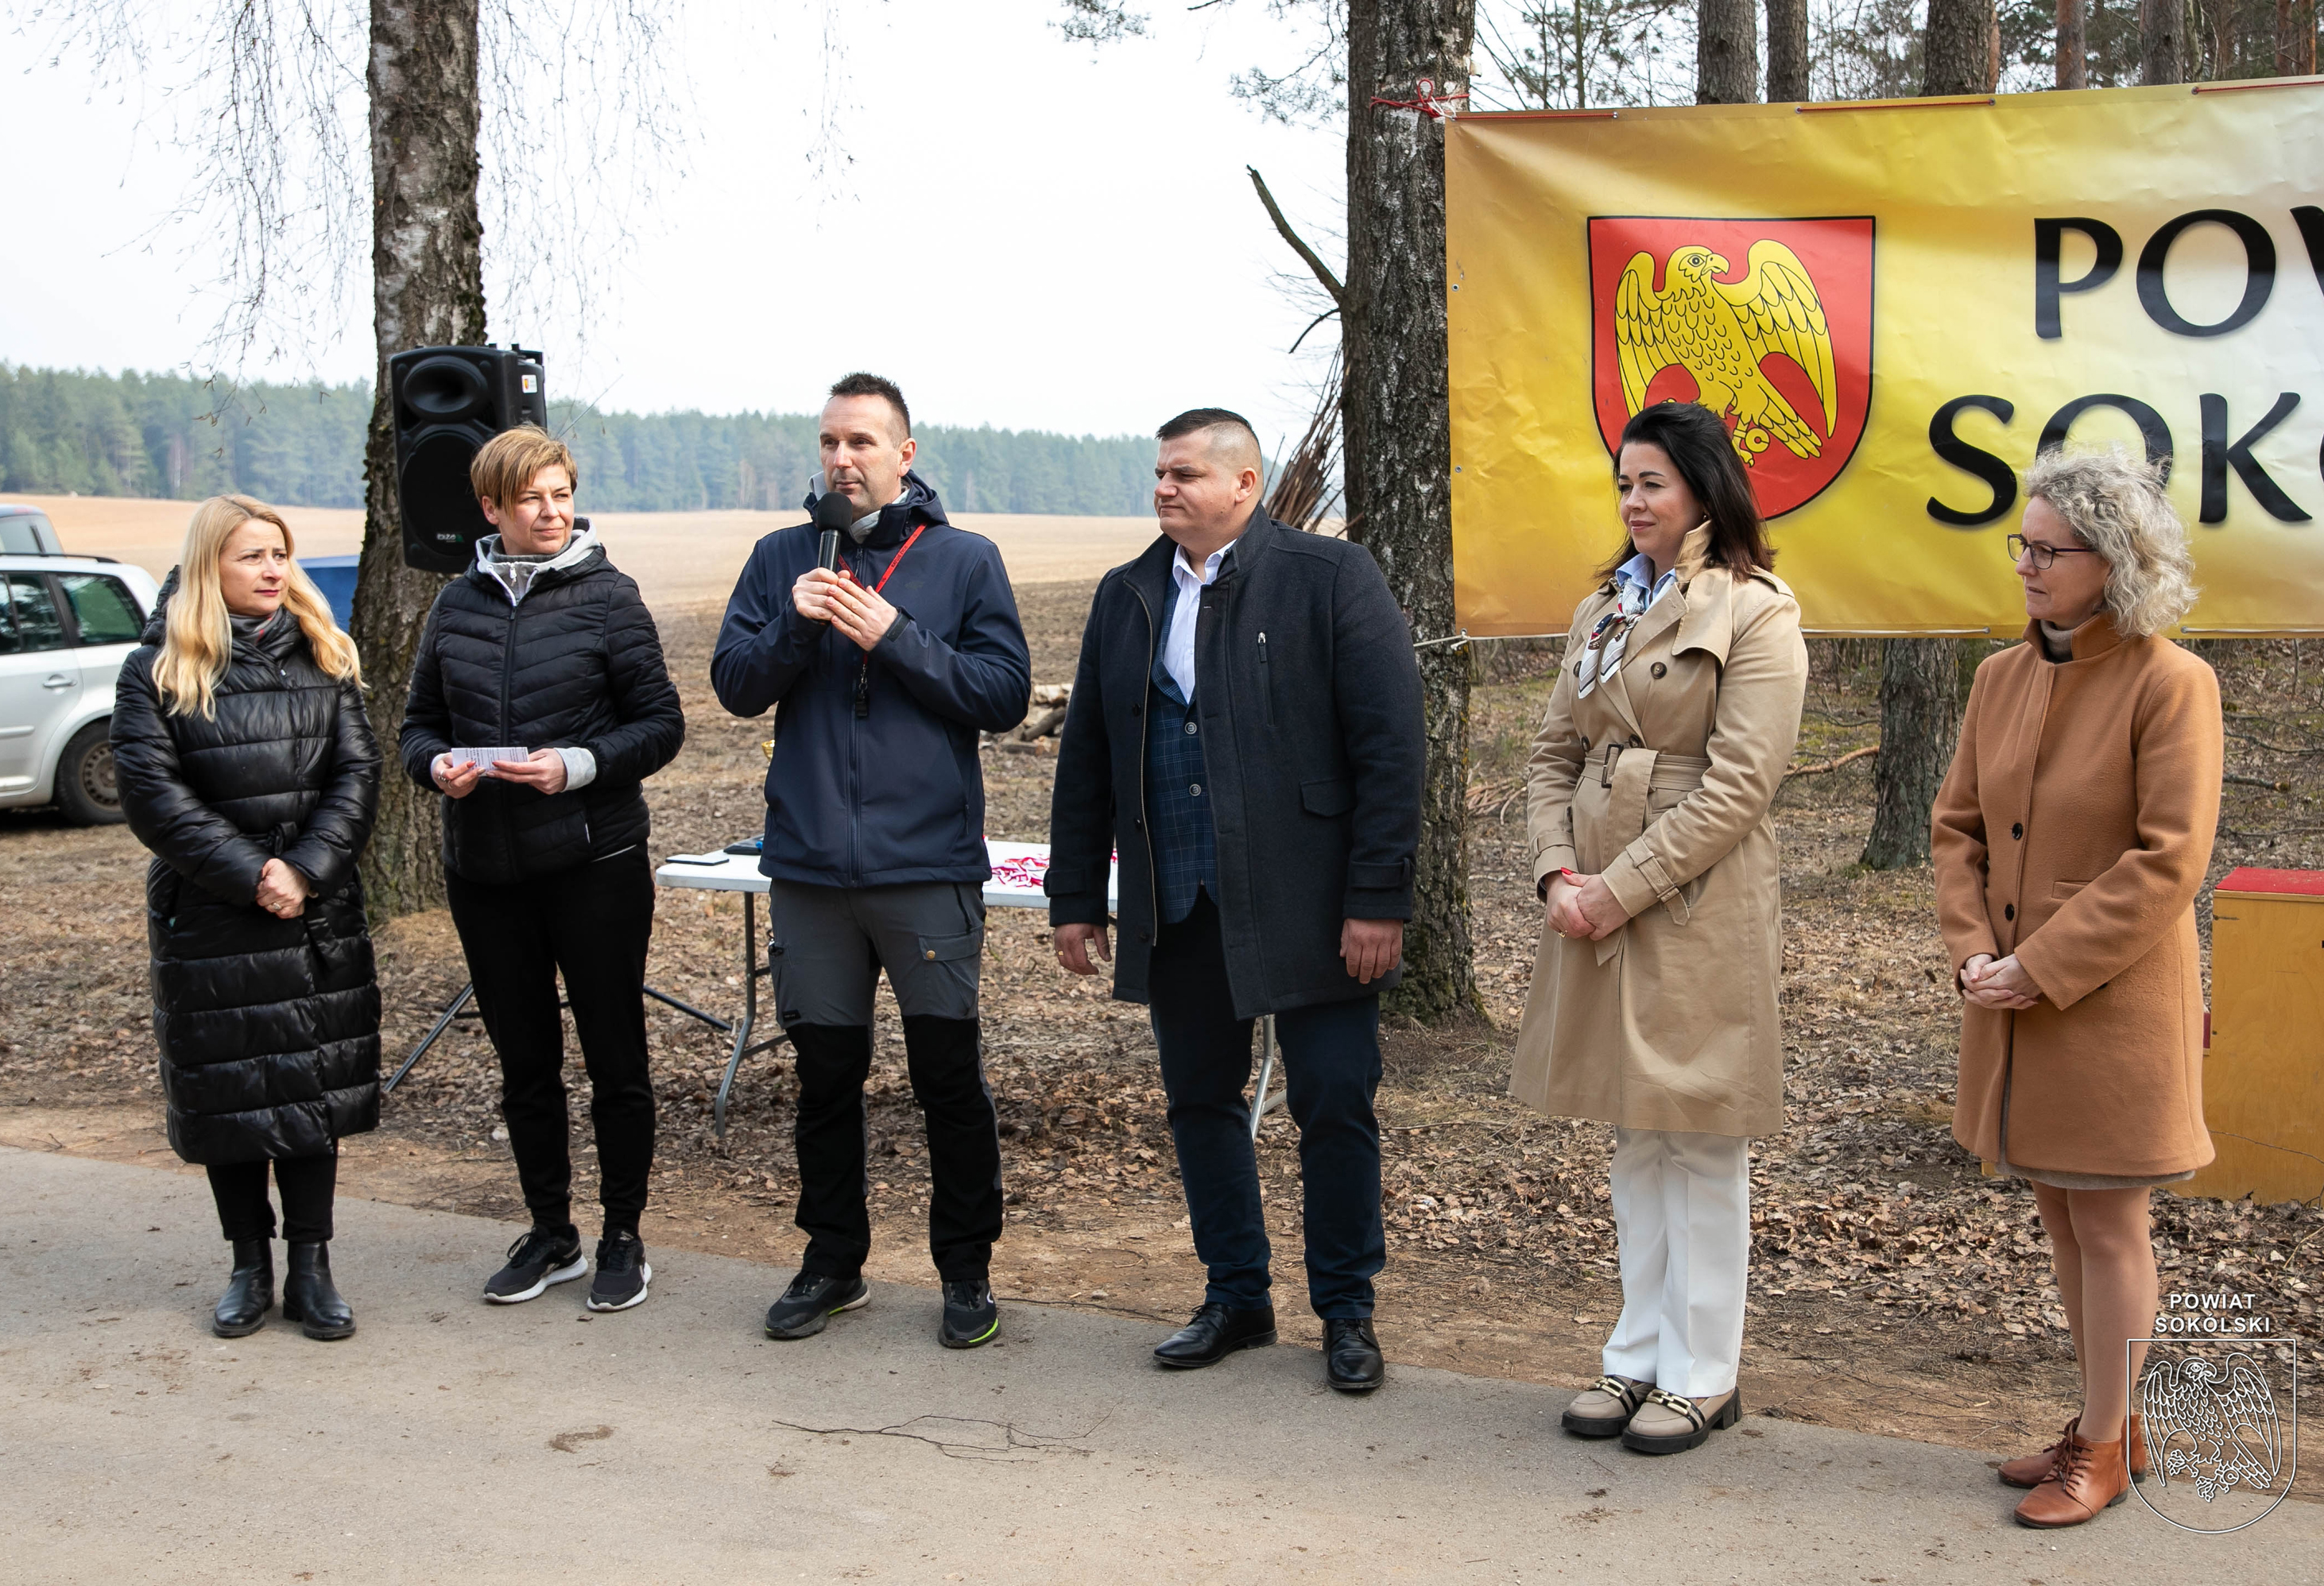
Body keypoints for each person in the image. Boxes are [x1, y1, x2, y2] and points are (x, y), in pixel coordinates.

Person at [1048, 408, 1423, 1395]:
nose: (1163, 490)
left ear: (1244, 485)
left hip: (1313, 903)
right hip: (1180, 901)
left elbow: (1391, 748)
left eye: (1182, 474)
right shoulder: (1126, 594)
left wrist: (1377, 896)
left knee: (1334, 1102)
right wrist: (1076, 892)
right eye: (1157, 475)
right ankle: (1236, 1295)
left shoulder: (1330, 578)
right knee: (1200, 1103)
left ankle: (1347, 1310)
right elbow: (1088, 752)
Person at [1511, 400, 1807, 1454]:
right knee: (1632, 1130)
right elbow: (1552, 753)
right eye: (1624, 483)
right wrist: (1556, 870)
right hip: (1590, 895)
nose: (1634, 500)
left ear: (1701, 486)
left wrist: (1616, 886)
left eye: (1652, 482)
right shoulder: (1602, 608)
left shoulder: (1759, 613)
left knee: (1699, 1134)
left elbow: (1738, 788)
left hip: (1695, 901)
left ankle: (1703, 1372)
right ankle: (1636, 1355)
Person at [712, 372, 1031, 1350]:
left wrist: (896, 636)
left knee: (947, 1080)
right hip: (810, 871)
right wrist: (793, 625)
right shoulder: (780, 559)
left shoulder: (963, 560)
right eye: (828, 443)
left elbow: (1003, 693)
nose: (841, 461)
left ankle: (967, 1271)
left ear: (905, 454)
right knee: (823, 1079)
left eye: (861, 442)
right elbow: (733, 686)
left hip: (923, 867)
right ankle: (831, 1262)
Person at [1933, 447, 2221, 1529]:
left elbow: (2169, 861)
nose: (2027, 566)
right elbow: (1956, 826)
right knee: (2061, 1216)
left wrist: (2037, 964)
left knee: (2109, 1227)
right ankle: (2116, 1424)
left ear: (2114, 561)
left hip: (2106, 1011)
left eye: (2049, 550)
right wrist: (1971, 950)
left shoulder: (2172, 683)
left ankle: (2102, 1448)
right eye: (2024, 545)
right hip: (2007, 1002)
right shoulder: (2001, 677)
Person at [400, 425, 685, 1314]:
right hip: (485, 870)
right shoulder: (454, 606)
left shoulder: (609, 596)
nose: (552, 510)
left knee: (614, 1058)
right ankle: (550, 1230)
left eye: (562, 493)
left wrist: (577, 765)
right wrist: (434, 765)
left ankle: (623, 1235)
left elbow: (660, 723)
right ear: (492, 509)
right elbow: (416, 725)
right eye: (533, 498)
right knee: (525, 1063)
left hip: (594, 862)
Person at [112, 495, 382, 1340]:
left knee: (309, 1091)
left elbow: (357, 774)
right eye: (252, 557)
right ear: (208, 569)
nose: (272, 570)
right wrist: (251, 872)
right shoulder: (156, 668)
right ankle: (246, 1263)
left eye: (280, 554)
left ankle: (312, 1266)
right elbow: (153, 796)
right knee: (230, 1094)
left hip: (313, 911)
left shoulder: (323, 653)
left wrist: (303, 869)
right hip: (214, 917)